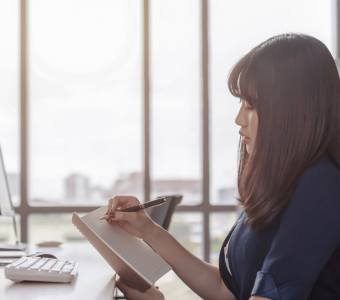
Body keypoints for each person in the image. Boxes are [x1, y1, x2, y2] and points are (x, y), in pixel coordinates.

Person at [106, 33, 340, 300]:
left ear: (294, 111)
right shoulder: (287, 183)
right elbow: (226, 289)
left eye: (251, 106)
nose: (239, 119)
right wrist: (149, 232)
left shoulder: (321, 188)